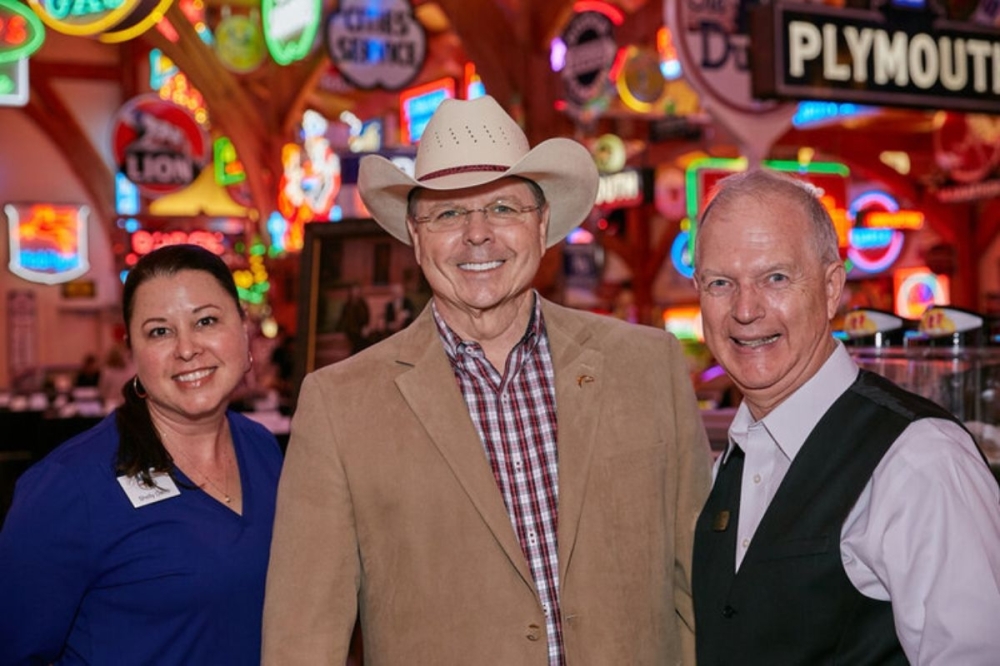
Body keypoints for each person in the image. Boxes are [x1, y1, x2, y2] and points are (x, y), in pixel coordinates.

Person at [262, 95, 713, 665]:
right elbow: (302, 641)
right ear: (415, 236)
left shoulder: (648, 366)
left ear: (542, 224)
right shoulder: (339, 405)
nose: (479, 235)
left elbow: (700, 592)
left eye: (504, 208)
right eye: (449, 214)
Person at [690, 168, 1000, 665]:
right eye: (721, 283)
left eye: (776, 278)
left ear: (832, 286)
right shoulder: (732, 457)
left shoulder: (919, 460)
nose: (746, 310)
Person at [0, 244, 284, 665]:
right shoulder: (69, 486)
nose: (187, 349)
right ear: (132, 352)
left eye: (206, 321)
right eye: (159, 331)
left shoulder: (263, 449)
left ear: (243, 331)